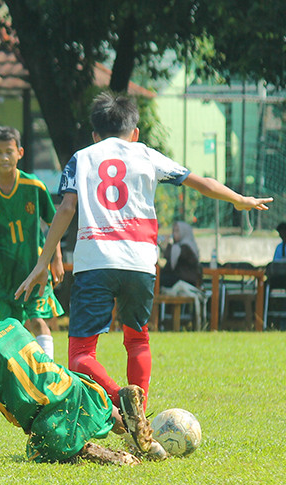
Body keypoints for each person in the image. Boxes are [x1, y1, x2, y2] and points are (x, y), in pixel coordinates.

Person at [16, 92, 272, 410]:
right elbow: (202, 182)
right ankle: (140, 414)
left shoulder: (82, 158)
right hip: (140, 261)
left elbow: (67, 207)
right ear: (134, 133)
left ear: (95, 135)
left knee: (81, 354)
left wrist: (44, 260)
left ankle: (118, 399)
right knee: (137, 340)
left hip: (95, 259)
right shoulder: (146, 155)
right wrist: (239, 199)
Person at [0, 276, 165, 465]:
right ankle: (137, 430)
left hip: (48, 414)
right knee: (103, 410)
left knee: (43, 450)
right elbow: (18, 368)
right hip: (71, 384)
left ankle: (101, 454)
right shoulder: (13, 325)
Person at [0, 126, 65, 359]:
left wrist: (56, 259)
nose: (4, 157)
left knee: (37, 319)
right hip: (4, 273)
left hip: (35, 268)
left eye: (9, 151)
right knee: (10, 326)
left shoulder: (34, 186)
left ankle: (47, 371)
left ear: (20, 152)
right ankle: (19, 375)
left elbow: (53, 223)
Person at [159, 220, 205, 329]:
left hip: (186, 281)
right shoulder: (178, 247)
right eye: (173, 231)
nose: (174, 234)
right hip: (178, 279)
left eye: (177, 231)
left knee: (158, 280)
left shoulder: (186, 247)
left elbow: (173, 258)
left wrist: (166, 246)